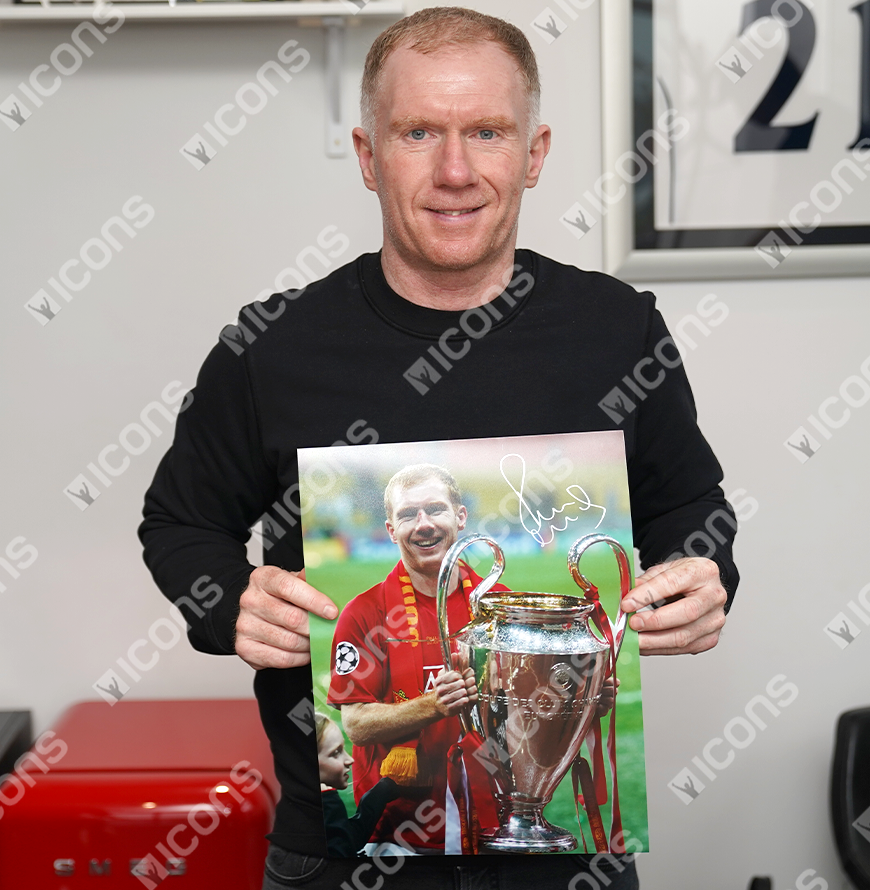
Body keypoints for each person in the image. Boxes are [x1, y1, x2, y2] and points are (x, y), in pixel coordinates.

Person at [139, 7, 738, 889]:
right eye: (418, 132)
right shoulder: (270, 347)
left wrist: (704, 570)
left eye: (486, 132)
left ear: (533, 154)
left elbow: (692, 507)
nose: (454, 171)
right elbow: (178, 520)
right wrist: (226, 599)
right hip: (340, 849)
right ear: (368, 153)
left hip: (564, 854)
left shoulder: (618, 330)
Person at [326, 464, 507, 852]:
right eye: (408, 515)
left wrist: (577, 696)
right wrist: (433, 705)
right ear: (391, 530)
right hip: (399, 831)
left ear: (460, 516)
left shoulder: (499, 603)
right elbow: (355, 724)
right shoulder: (364, 613)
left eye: (435, 509)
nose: (423, 524)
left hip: (494, 814)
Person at [315, 711, 400, 857]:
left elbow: (348, 839)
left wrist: (378, 795)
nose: (350, 760)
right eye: (336, 753)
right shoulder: (326, 801)